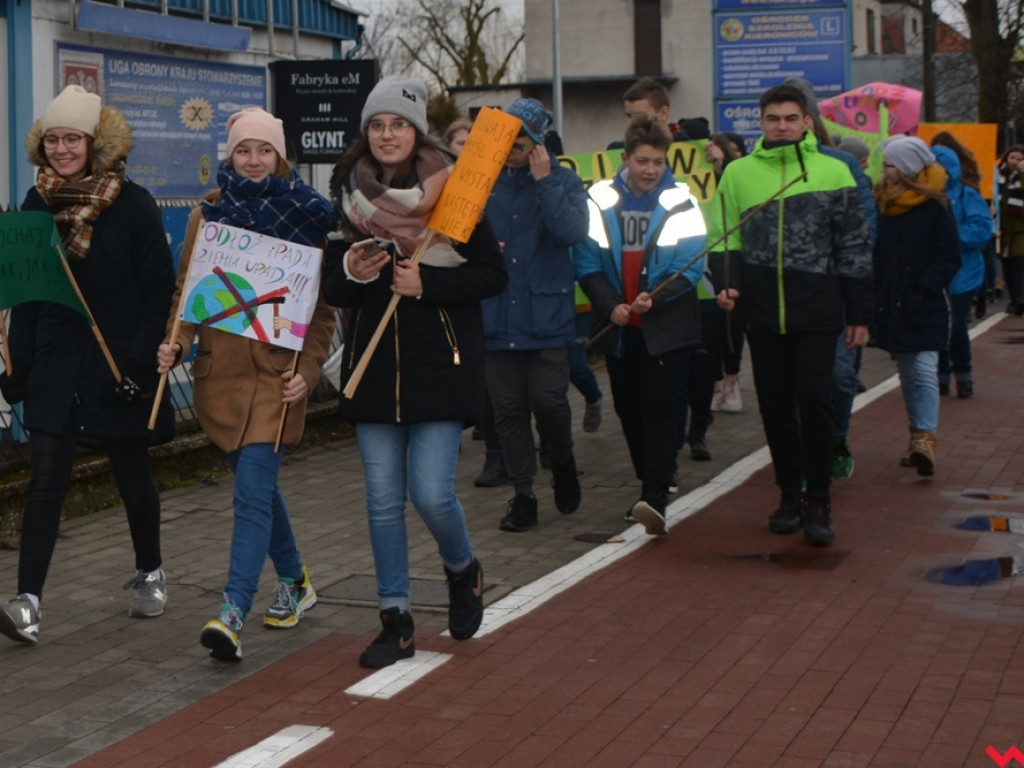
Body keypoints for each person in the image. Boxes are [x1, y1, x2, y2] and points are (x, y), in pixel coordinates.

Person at [323, 77, 507, 668]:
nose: (386, 135)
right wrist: (351, 267)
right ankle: (395, 618)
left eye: (398, 124)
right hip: (372, 369)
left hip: (442, 367)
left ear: (415, 130)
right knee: (381, 501)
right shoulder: (347, 193)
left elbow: (491, 275)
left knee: (430, 493)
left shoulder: (458, 196)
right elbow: (331, 288)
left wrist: (428, 284)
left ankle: (462, 568)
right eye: (377, 126)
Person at [157, 107, 335, 662]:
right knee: (260, 492)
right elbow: (190, 292)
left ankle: (233, 609)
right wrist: (178, 343)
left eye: (263, 150)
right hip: (222, 380)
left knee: (249, 495)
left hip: (276, 382)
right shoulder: (208, 217)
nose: (253, 160)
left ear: (280, 156)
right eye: (242, 151)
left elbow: (323, 311)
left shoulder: (311, 217)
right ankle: (296, 579)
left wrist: (307, 373)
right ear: (229, 157)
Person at [0, 85, 175, 644]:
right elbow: (27, 293)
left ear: (94, 142)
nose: (61, 149)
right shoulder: (35, 205)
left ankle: (150, 570)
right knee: (46, 480)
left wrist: (138, 368)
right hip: (55, 359)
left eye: (72, 138)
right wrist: (17, 366)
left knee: (131, 475)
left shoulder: (133, 205)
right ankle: (27, 602)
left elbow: (157, 294)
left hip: (115, 364)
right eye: (52, 139)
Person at [711, 83, 872, 547]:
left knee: (817, 404)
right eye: (773, 118)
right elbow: (723, 237)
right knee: (777, 409)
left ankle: (819, 499)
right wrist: (726, 286)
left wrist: (858, 310)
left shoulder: (834, 170)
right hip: (761, 315)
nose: (782, 125)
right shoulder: (739, 173)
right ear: (760, 123)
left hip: (819, 313)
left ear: (806, 122)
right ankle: (788, 496)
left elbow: (855, 244)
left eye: (790, 118)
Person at [575, 114, 706, 534]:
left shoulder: (683, 201)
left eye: (658, 162)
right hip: (618, 328)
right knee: (628, 409)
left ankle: (653, 496)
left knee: (661, 408)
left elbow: (691, 264)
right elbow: (587, 261)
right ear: (626, 158)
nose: (650, 170)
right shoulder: (598, 198)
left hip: (666, 325)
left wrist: (656, 296)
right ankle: (653, 478)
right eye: (643, 161)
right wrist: (610, 304)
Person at [483, 97, 588, 533]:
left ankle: (562, 460)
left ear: (539, 141)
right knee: (507, 410)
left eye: (521, 138)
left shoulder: (564, 180)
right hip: (496, 315)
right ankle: (523, 494)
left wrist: (544, 182)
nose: (513, 146)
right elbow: (453, 236)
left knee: (549, 401)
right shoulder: (483, 183)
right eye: (506, 137)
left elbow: (572, 232)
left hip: (546, 314)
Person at [873, 137, 961, 476]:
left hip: (925, 301)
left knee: (924, 369)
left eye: (890, 165)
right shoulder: (884, 204)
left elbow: (949, 255)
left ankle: (926, 438)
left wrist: (925, 285)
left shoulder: (936, 206)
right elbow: (879, 255)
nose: (884, 171)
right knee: (907, 372)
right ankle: (916, 437)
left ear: (907, 168)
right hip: (894, 303)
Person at [931, 144, 992, 399]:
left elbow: (982, 230)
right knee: (938, 327)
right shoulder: (925, 196)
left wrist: (950, 237)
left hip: (963, 274)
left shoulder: (967, 195)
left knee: (955, 326)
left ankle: (964, 376)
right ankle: (941, 378)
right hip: (935, 274)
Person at [997, 144, 1024, 314]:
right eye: (1012, 157)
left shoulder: (1020, 176)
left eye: (1019, 159)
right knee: (1007, 265)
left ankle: (1020, 299)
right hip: (1003, 226)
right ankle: (1015, 299)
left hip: (1020, 227)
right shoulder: (999, 175)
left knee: (1018, 263)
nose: (1014, 161)